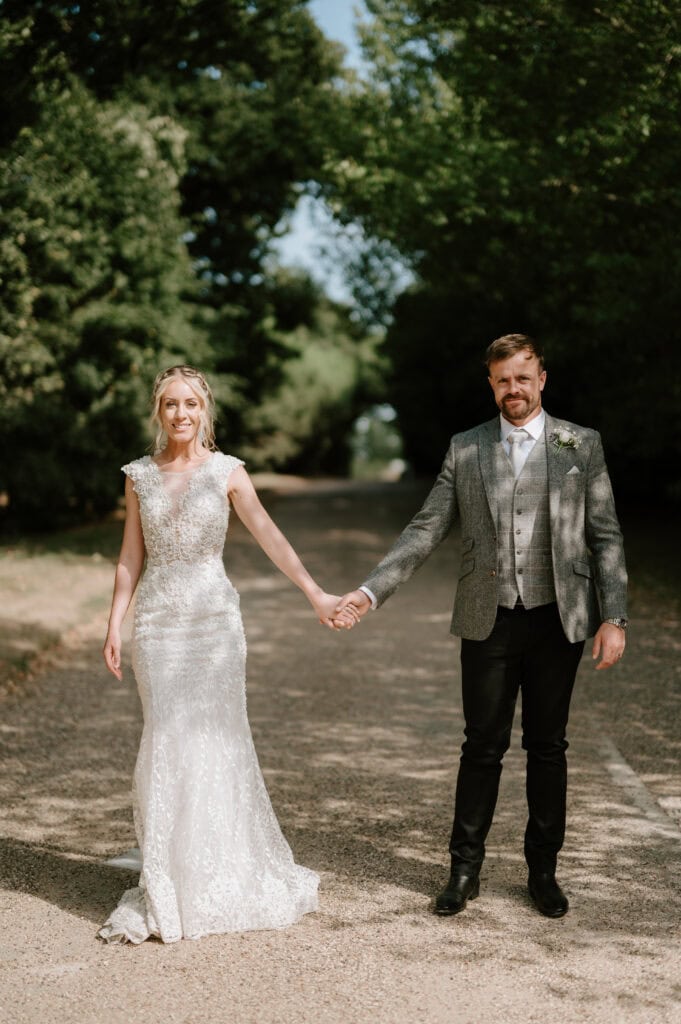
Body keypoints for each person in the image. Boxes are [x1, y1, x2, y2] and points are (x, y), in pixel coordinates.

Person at [335, 334, 627, 918]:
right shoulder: (465, 449)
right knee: (482, 746)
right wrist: (370, 591)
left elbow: (605, 534)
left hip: (558, 616)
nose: (512, 390)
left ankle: (543, 872)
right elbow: (426, 528)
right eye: (502, 380)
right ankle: (463, 870)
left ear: (541, 378)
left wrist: (613, 615)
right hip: (487, 616)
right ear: (490, 384)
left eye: (522, 378)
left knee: (548, 747)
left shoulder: (580, 444)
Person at [100, 364, 356, 943]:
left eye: (190, 403)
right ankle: (169, 880)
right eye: (170, 404)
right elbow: (129, 557)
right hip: (160, 626)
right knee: (166, 737)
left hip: (214, 626)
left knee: (218, 738)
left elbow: (269, 535)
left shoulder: (228, 472)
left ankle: (220, 870)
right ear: (158, 411)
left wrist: (315, 593)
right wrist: (114, 623)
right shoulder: (138, 475)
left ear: (205, 410)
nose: (181, 414)